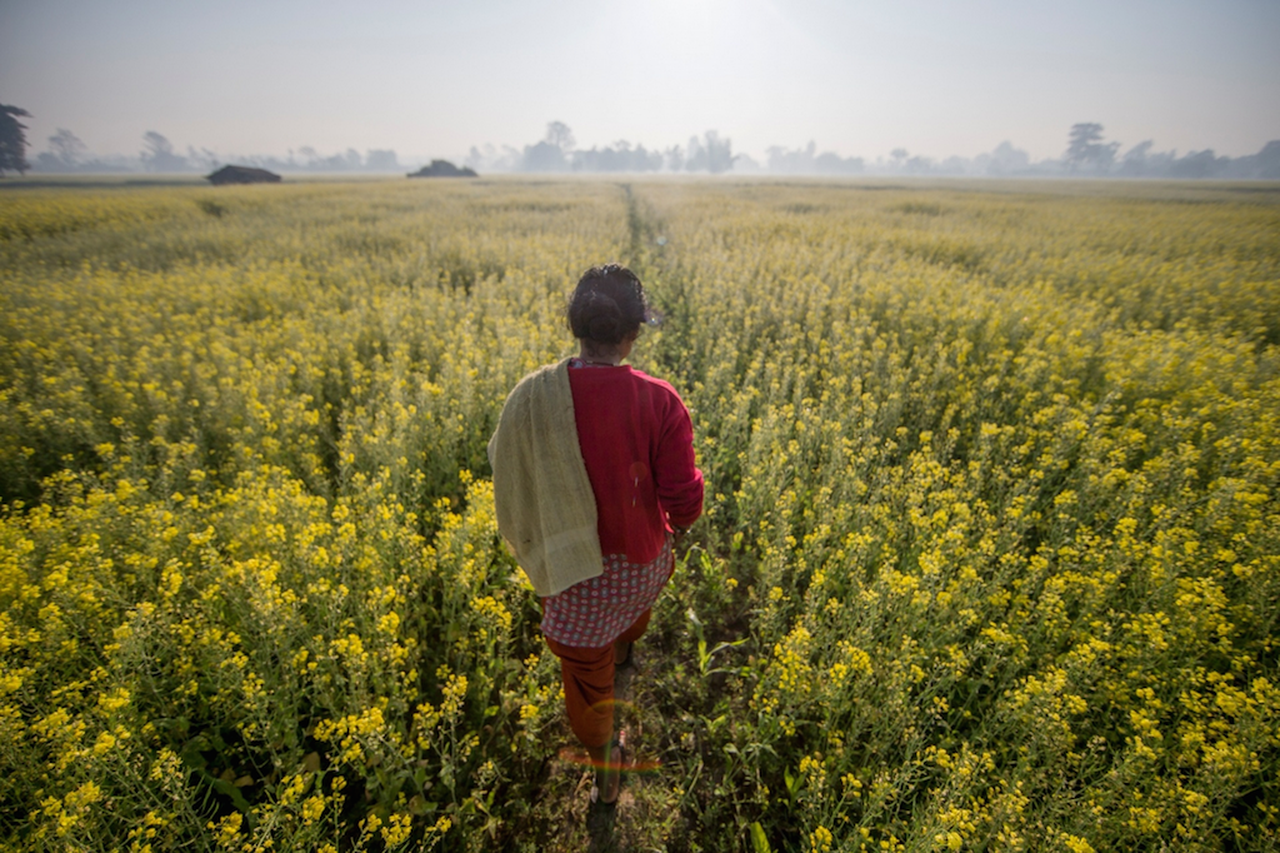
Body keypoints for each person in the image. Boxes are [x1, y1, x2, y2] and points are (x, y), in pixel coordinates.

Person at [488, 263, 704, 808]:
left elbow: (504, 463)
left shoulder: (531, 397)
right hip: (640, 571)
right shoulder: (660, 401)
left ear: (575, 327)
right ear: (633, 334)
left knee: (587, 678)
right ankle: (627, 645)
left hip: (572, 573)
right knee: (644, 583)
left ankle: (606, 769)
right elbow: (685, 504)